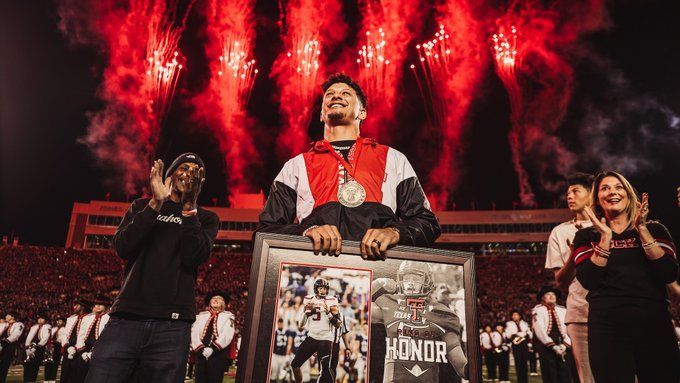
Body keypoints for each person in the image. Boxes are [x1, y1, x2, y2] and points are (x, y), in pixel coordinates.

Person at [256, 73, 441, 260]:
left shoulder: (393, 158)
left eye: (345, 93)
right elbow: (265, 230)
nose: (336, 96)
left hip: (377, 268)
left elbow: (427, 223)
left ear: (362, 112)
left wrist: (394, 232)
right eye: (329, 94)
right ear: (321, 114)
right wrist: (307, 231)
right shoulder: (295, 166)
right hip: (318, 269)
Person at [86, 153, 219, 383]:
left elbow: (193, 256)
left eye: (195, 170)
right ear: (170, 174)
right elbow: (123, 247)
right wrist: (155, 204)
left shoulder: (206, 218)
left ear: (200, 182)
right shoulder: (141, 206)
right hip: (126, 319)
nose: (188, 173)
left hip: (173, 325)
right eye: (183, 167)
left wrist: (189, 209)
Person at [574, 171, 680, 383]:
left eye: (618, 187)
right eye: (605, 188)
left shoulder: (655, 229)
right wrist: (605, 238)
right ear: (597, 199)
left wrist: (641, 229)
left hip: (653, 320)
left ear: (630, 195)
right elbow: (589, 280)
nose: (612, 191)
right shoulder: (587, 236)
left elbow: (668, 272)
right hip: (607, 324)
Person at [371, 261, 467, 382]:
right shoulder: (390, 304)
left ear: (427, 281)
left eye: (416, 278)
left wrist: (472, 366)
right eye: (406, 278)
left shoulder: (442, 314)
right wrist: (377, 283)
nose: (410, 282)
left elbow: (461, 367)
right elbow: (360, 309)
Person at [545, 172, 594, 383]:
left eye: (575, 191)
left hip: (615, 307)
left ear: (592, 195)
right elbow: (560, 281)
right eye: (567, 193)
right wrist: (575, 254)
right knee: (587, 376)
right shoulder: (559, 231)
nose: (570, 196)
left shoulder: (611, 225)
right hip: (580, 311)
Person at [291, 278, 340, 383]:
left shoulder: (332, 300)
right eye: (321, 288)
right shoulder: (309, 299)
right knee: (295, 365)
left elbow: (337, 324)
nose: (323, 291)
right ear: (316, 288)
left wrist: (329, 313)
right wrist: (306, 313)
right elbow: (300, 325)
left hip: (325, 339)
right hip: (312, 337)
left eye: (325, 289)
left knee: (325, 371)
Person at [191, 291, 236, 383]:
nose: (215, 300)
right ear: (210, 302)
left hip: (218, 354)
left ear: (223, 303)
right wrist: (199, 348)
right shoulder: (200, 316)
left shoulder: (228, 317)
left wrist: (213, 348)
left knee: (215, 379)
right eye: (213, 298)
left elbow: (227, 334)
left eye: (219, 298)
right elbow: (194, 332)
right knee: (199, 379)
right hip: (201, 353)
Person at [532, 286, 573, 383]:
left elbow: (570, 329)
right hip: (547, 347)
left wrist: (565, 344)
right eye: (548, 294)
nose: (551, 296)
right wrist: (553, 347)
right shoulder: (538, 310)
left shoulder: (563, 310)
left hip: (564, 345)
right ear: (542, 297)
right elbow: (539, 330)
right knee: (550, 375)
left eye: (553, 294)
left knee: (565, 374)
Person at [67, 296, 111, 383]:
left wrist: (92, 353)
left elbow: (107, 337)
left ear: (106, 306)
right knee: (78, 375)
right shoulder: (88, 318)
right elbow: (81, 335)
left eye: (100, 305)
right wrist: (82, 351)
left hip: (99, 351)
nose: (97, 306)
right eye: (96, 304)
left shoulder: (109, 318)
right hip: (83, 350)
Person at [60, 300, 90, 383]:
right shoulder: (71, 318)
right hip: (68, 349)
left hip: (81, 350)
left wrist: (78, 347)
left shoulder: (89, 318)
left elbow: (86, 335)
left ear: (83, 307)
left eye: (77, 305)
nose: (74, 307)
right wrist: (66, 345)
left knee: (78, 375)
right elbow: (64, 334)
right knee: (65, 374)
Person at [504, 309, 532, 383]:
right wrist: (519, 334)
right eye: (513, 315)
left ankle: (525, 380)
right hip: (516, 344)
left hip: (524, 344)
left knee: (524, 363)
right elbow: (508, 335)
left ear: (519, 316)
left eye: (516, 315)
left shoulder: (524, 323)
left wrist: (523, 334)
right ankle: (520, 380)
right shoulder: (509, 323)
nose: (514, 316)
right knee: (518, 363)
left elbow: (529, 334)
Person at [23, 312, 51, 383]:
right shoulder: (34, 327)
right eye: (39, 318)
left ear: (45, 320)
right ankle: (26, 380)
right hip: (29, 347)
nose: (40, 320)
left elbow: (45, 338)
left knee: (35, 365)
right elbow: (29, 337)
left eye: (42, 318)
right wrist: (27, 346)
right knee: (26, 364)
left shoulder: (48, 326)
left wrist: (38, 346)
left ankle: (31, 380)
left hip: (39, 348)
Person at [0, 312, 24, 383]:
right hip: (1, 345)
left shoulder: (19, 324)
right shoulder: (4, 324)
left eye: (8, 315)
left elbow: (16, 335)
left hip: (10, 346)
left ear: (13, 317)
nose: (6, 316)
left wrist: (7, 340)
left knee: (4, 365)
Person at [44, 316, 66, 383]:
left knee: (54, 364)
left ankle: (52, 380)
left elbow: (62, 338)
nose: (58, 322)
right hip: (50, 347)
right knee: (47, 363)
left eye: (60, 321)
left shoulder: (64, 329)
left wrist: (55, 341)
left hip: (57, 348)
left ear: (64, 323)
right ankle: (46, 379)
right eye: (57, 321)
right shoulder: (53, 329)